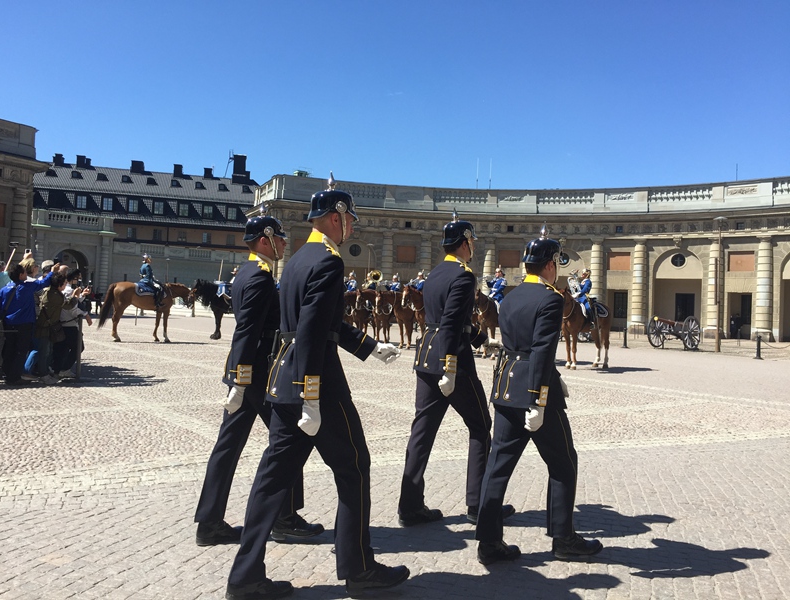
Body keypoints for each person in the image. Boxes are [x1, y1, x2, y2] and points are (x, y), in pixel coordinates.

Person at [225, 174, 408, 599]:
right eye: (352, 219)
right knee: (354, 467)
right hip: (317, 385)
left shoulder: (298, 260)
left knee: (272, 481)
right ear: (336, 217)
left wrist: (367, 345)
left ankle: (245, 575)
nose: (355, 227)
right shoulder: (328, 261)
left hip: (281, 381)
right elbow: (310, 331)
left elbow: (322, 321)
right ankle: (359, 568)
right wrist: (312, 394)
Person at [195, 210, 324, 548]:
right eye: (280, 237)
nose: (284, 242)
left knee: (227, 448)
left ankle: (209, 522)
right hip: (258, 375)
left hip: (246, 374)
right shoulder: (260, 277)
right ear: (266, 238)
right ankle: (284, 517)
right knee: (289, 441)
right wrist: (241, 380)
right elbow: (248, 332)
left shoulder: (248, 272)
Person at [474, 228, 602, 565]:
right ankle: (563, 538)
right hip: (533, 392)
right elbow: (544, 351)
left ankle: (488, 542)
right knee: (563, 464)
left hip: (505, 387)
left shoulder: (512, 296)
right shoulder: (550, 298)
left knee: (497, 467)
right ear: (549, 266)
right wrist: (537, 399)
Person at [398, 210, 512, 527]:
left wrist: (481, 339)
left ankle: (409, 505)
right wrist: (450, 365)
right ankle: (478, 504)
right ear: (464, 243)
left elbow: (445, 321)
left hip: (426, 358)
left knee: (421, 432)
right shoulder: (463, 276)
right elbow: (450, 323)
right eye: (471, 240)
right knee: (480, 426)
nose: (472, 245)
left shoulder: (434, 275)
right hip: (453, 363)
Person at [0, 261, 58, 385]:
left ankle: (7, 373)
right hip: (24, 324)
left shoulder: (4, 289)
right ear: (20, 275)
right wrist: (52, 271)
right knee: (21, 351)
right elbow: (44, 283)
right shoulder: (27, 287)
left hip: (8, 324)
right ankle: (14, 377)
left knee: (9, 349)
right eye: (24, 272)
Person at [32, 273, 80, 384]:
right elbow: (68, 305)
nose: (65, 285)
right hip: (46, 326)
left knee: (47, 351)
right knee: (44, 351)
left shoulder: (49, 290)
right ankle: (42, 374)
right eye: (64, 283)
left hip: (46, 325)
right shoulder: (55, 295)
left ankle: (43, 372)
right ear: (59, 284)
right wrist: (75, 296)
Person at [53, 269, 93, 379]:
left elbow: (73, 303)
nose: (79, 280)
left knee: (63, 348)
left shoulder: (67, 290)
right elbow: (71, 308)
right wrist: (85, 314)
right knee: (79, 347)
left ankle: (58, 369)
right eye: (78, 278)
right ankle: (65, 369)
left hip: (63, 323)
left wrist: (82, 296)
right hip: (69, 324)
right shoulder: (69, 290)